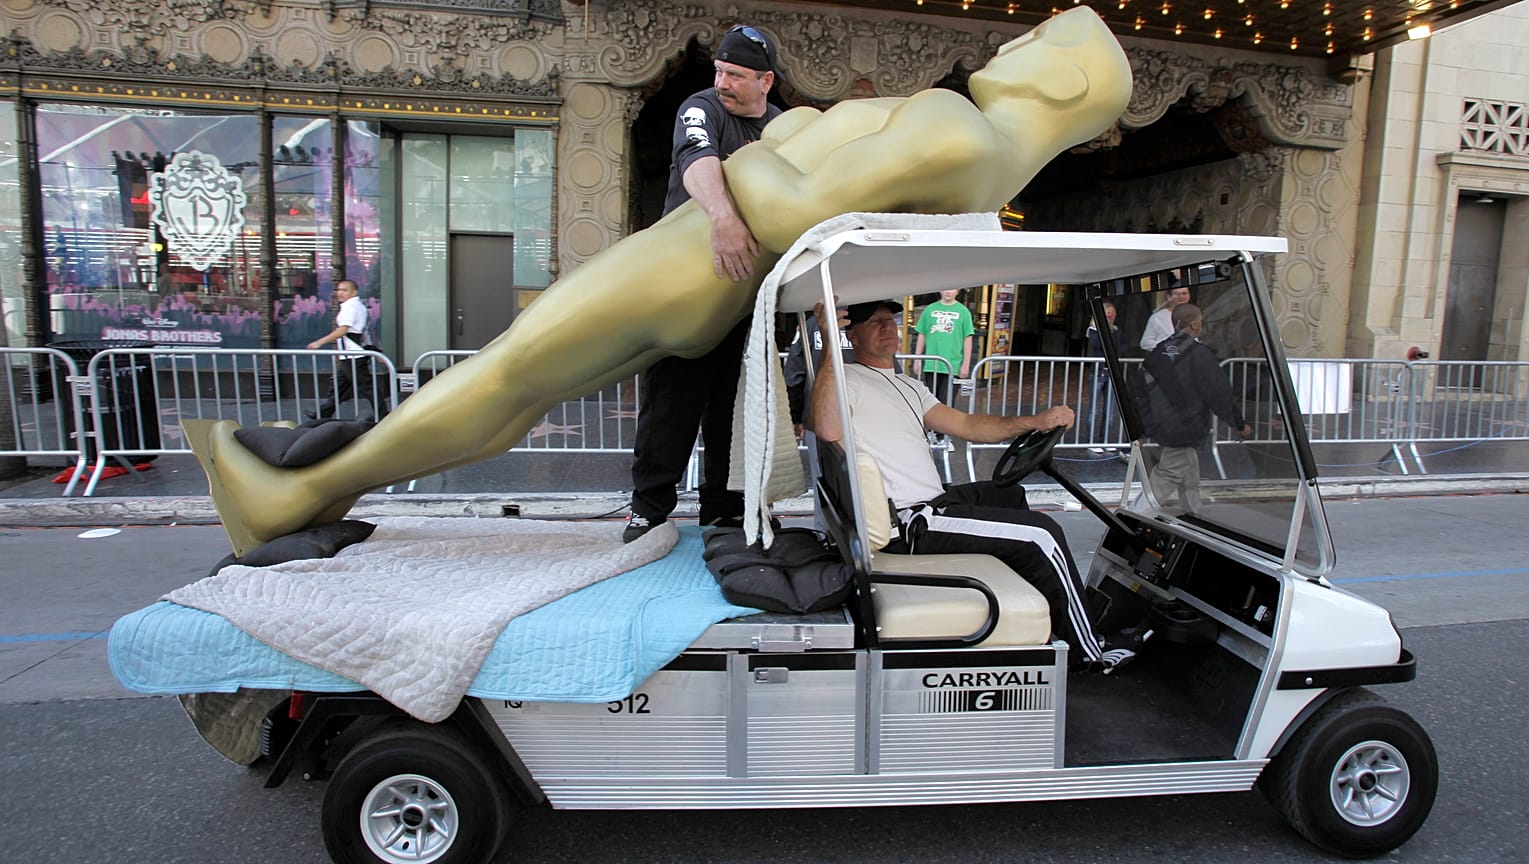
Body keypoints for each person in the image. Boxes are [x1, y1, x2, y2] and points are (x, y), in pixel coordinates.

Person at [186, 8, 1134, 557]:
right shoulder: (990, 173)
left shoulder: (952, 124)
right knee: (520, 388)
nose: (1012, 47)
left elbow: (787, 193)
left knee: (512, 371)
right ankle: (324, 490)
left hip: (697, 259)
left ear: (1059, 86)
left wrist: (735, 197)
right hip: (720, 279)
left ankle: (297, 492)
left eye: (1041, 41)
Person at [808, 299, 1135, 669]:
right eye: (874, 323)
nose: (887, 328)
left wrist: (1034, 421)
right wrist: (829, 345)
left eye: (891, 320)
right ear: (851, 334)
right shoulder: (845, 379)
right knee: (1041, 533)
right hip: (909, 521)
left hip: (934, 500)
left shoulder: (909, 386)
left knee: (1007, 493)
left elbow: (968, 425)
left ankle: (1047, 605)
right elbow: (828, 427)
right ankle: (1088, 652)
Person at [625, 24, 785, 543]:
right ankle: (649, 508)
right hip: (689, 290)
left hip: (748, 299)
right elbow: (697, 160)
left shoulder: (784, 125)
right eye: (719, 70)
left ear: (766, 80)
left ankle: (723, 507)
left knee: (734, 413)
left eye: (735, 75)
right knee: (671, 404)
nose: (722, 81)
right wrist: (722, 217)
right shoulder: (701, 107)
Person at [1140, 303, 1253, 514]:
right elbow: (1219, 394)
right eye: (1200, 320)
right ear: (1194, 325)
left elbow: (1140, 391)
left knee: (1189, 470)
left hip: (1160, 423)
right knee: (1169, 473)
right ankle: (1135, 514)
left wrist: (1143, 426)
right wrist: (1239, 424)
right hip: (1184, 425)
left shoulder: (1157, 353)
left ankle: (1193, 513)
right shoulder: (1200, 355)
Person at [305, 280, 374, 421]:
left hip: (353, 355)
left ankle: (383, 413)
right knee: (340, 387)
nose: (340, 293)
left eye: (344, 290)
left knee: (366, 388)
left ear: (354, 292)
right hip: (350, 354)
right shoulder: (356, 306)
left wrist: (319, 342)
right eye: (339, 290)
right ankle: (323, 413)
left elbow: (343, 330)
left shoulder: (350, 306)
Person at [913, 289, 974, 409]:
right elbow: (922, 335)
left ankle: (944, 428)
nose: (948, 292)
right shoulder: (930, 309)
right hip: (932, 364)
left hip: (953, 364)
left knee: (947, 402)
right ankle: (931, 428)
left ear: (958, 291)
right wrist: (917, 359)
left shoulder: (963, 311)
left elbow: (968, 338)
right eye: (946, 288)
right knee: (931, 401)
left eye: (952, 288)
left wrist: (966, 364)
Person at [1084, 298, 1123, 451]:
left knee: (1110, 409)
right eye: (1107, 315)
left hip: (1111, 372)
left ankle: (1105, 440)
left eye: (1112, 314)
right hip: (1098, 372)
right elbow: (1098, 345)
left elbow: (1119, 346)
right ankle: (1090, 442)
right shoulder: (1093, 330)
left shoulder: (1116, 330)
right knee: (1094, 409)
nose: (1110, 317)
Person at [1138, 279, 1190, 352]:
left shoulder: (1191, 316)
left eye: (1184, 293)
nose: (1181, 297)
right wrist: (1166, 347)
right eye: (1177, 294)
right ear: (1168, 296)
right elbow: (1145, 343)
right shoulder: (1157, 317)